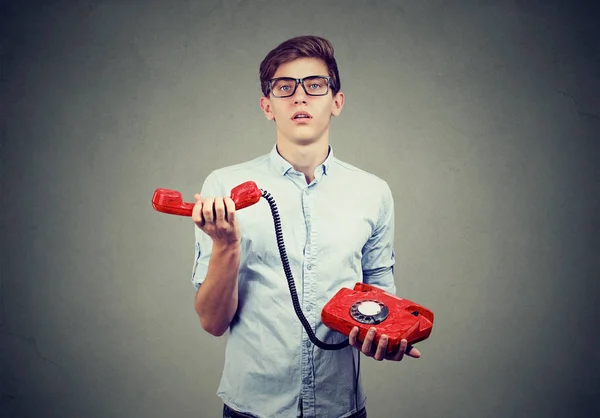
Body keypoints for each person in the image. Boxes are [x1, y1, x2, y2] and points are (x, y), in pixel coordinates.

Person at [190, 35, 421, 418]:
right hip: (252, 408)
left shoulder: (374, 192)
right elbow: (213, 323)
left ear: (337, 102)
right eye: (285, 87)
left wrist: (389, 339)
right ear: (268, 106)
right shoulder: (222, 188)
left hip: (341, 407)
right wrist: (227, 245)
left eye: (315, 85)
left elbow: (381, 304)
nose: (300, 97)